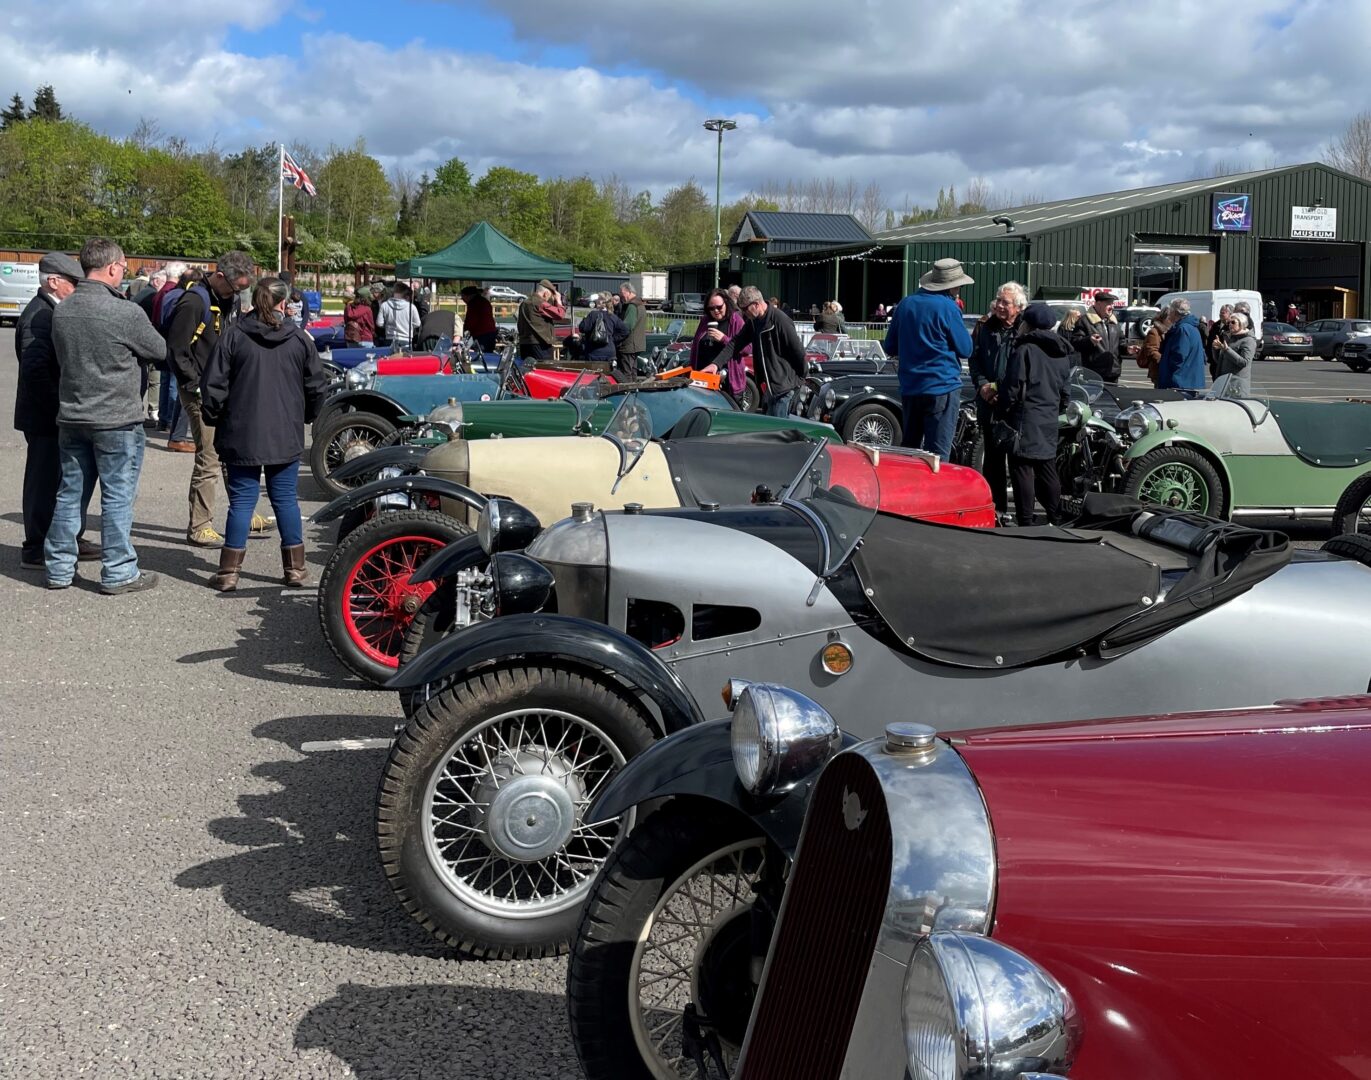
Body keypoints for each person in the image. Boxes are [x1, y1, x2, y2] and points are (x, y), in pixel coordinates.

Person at [46, 237, 168, 593]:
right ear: (114, 267)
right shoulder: (125, 312)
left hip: (73, 415)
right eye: (123, 266)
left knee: (70, 493)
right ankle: (118, 570)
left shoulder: (63, 310)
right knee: (117, 497)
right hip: (117, 419)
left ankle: (58, 568)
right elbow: (158, 349)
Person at [199, 277, 328, 592]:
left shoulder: (233, 337)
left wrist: (215, 417)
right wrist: (307, 416)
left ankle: (229, 573)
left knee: (242, 502)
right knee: (285, 500)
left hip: (241, 430)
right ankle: (295, 570)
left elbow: (212, 386)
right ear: (284, 304)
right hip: (284, 431)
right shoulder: (299, 339)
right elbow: (317, 386)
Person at [15, 252, 100, 570]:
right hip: (45, 417)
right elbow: (36, 371)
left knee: (65, 479)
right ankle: (36, 546)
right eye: (73, 283)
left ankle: (66, 538)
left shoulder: (54, 311)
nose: (78, 289)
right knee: (43, 481)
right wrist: (60, 407)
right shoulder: (41, 315)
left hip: (56, 413)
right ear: (54, 281)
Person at [166, 250, 256, 547]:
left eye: (243, 289)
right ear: (220, 276)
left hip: (224, 388)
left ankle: (243, 512)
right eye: (235, 288)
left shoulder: (231, 298)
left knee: (232, 451)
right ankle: (200, 525)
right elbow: (177, 351)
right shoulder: (194, 301)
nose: (239, 294)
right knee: (209, 456)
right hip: (199, 391)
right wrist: (196, 387)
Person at [883, 258, 975, 460]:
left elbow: (889, 346)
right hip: (941, 385)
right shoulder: (949, 308)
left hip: (911, 386)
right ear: (953, 286)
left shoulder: (906, 304)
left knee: (910, 451)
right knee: (938, 455)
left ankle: (910, 491)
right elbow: (966, 349)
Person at [995, 302, 1071, 526]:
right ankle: (1055, 515)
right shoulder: (1062, 353)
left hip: (1025, 417)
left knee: (1022, 469)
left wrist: (1002, 411)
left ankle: (1026, 519)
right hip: (1049, 417)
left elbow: (1012, 387)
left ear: (1027, 324)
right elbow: (1066, 393)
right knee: (1048, 468)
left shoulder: (1024, 350)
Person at [968, 281, 1026, 516]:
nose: (999, 305)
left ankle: (1023, 512)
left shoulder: (1026, 329)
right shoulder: (984, 326)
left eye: (1005, 302)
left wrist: (1007, 391)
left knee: (1018, 458)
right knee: (992, 458)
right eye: (998, 300)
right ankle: (996, 509)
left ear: (1018, 307)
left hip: (1016, 403)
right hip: (989, 402)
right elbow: (974, 360)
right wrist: (982, 386)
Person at [712, 286, 806, 416]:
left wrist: (800, 378)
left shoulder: (781, 321)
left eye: (745, 309)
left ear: (756, 304)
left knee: (778, 433)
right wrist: (715, 364)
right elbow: (735, 343)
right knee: (768, 432)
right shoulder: (753, 322)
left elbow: (798, 351)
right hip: (768, 390)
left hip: (784, 390)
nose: (744, 313)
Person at [690, 288, 747, 398]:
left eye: (719, 307)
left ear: (726, 303)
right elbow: (695, 347)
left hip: (728, 383)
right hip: (703, 381)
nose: (715, 311)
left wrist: (724, 339)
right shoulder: (705, 320)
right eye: (711, 308)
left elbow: (747, 348)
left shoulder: (736, 320)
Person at [1071, 292, 1122, 383]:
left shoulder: (1113, 322)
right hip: (1094, 373)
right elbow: (1075, 342)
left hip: (1113, 373)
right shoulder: (1085, 321)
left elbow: (1121, 342)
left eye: (1112, 304)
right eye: (1109, 304)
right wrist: (1089, 340)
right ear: (1098, 304)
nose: (1112, 307)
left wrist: (1128, 349)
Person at [1157, 298, 1207, 389]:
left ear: (1175, 312)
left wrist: (1168, 374)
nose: (1169, 315)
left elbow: (1179, 356)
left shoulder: (1183, 329)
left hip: (1181, 383)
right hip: (1188, 381)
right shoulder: (1191, 327)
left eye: (1170, 311)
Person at [516, 282, 564, 364]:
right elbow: (560, 314)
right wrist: (558, 301)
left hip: (525, 343)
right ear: (545, 293)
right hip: (540, 345)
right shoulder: (539, 303)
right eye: (549, 297)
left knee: (526, 370)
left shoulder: (524, 303)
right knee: (544, 370)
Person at [575, 292, 629, 366]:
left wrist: (585, 319)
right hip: (609, 351)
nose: (597, 300)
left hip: (593, 351)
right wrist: (612, 339)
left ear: (602, 302)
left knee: (593, 376)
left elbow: (582, 328)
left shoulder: (593, 315)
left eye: (599, 298)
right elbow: (625, 331)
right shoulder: (613, 317)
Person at [1214, 310, 1256, 398]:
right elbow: (1218, 360)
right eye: (1229, 322)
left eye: (1233, 322)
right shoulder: (1230, 339)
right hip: (1224, 383)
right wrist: (1216, 348)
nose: (1230, 324)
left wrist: (1227, 350)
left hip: (1237, 386)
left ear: (1242, 324)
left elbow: (1244, 362)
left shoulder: (1248, 340)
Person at [616, 280, 648, 380]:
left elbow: (627, 326)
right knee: (633, 370)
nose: (621, 297)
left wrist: (616, 336)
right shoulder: (640, 304)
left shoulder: (632, 306)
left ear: (628, 292)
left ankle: (628, 391)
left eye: (622, 294)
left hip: (629, 344)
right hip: (637, 344)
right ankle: (633, 390)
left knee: (627, 373)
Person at [377, 281, 421, 351]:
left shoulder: (384, 305)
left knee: (390, 360)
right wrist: (407, 325)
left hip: (390, 338)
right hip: (406, 338)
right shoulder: (411, 307)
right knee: (405, 361)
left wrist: (387, 325)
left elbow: (379, 323)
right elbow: (417, 323)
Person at [1136, 306, 1171, 388]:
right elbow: (1151, 350)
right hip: (1158, 370)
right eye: (1169, 318)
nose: (1171, 321)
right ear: (1164, 318)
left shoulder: (1169, 330)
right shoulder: (1154, 332)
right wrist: (1164, 361)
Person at [460, 285, 497, 352]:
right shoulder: (484, 301)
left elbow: (471, 322)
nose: (463, 300)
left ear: (468, 296)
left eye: (463, 297)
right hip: (490, 333)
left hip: (481, 335)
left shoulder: (473, 304)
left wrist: (462, 332)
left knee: (479, 355)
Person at [1206, 303, 1233, 380]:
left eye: (1223, 312)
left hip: (1225, 361)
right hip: (1214, 362)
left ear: (1230, 314)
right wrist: (1210, 356)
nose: (1220, 314)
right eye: (1220, 312)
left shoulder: (1232, 326)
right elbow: (1210, 341)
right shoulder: (1216, 325)